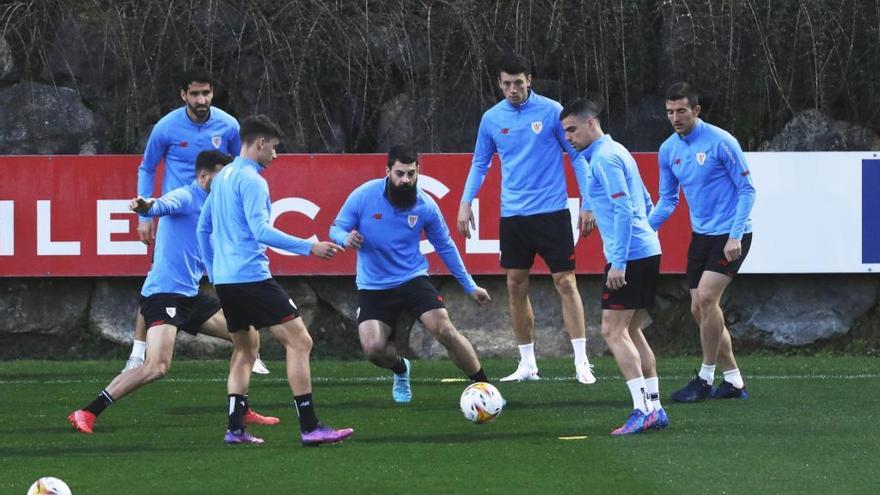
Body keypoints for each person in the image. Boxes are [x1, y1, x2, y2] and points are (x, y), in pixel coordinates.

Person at [68, 151, 278, 434]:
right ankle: (87, 412)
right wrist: (146, 206)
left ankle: (240, 408)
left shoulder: (219, 202)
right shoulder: (186, 196)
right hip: (164, 295)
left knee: (247, 335)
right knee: (157, 366)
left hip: (188, 296)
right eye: (220, 176)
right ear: (203, 177)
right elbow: (162, 204)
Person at [197, 115, 354, 446]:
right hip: (251, 277)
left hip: (226, 280)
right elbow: (261, 231)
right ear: (260, 143)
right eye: (275, 148)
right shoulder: (252, 181)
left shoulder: (222, 177)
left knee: (244, 348)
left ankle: (235, 429)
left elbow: (202, 228)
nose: (276, 156)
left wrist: (214, 271)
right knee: (300, 341)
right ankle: (310, 426)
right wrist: (310, 246)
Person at [457, 53, 596, 384]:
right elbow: (480, 163)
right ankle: (528, 363)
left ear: (529, 81)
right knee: (515, 285)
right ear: (499, 84)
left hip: (552, 213)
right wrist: (465, 202)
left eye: (518, 83)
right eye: (506, 83)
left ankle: (581, 361)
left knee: (565, 282)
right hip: (514, 216)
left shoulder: (550, 111)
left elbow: (577, 156)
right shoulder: (492, 119)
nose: (513, 89)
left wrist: (588, 202)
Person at [122, 68, 271, 374]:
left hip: (215, 210)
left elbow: (238, 166)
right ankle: (137, 353)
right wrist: (144, 215)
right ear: (183, 95)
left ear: (212, 93)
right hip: (178, 211)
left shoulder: (228, 125)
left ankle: (247, 347)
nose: (201, 99)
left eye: (206, 93)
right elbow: (147, 167)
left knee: (228, 271)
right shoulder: (166, 127)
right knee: (160, 275)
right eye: (194, 94)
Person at [329, 145, 493, 403]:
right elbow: (336, 228)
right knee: (373, 349)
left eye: (411, 174)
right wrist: (345, 237)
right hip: (373, 285)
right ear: (388, 172)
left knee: (444, 330)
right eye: (399, 174)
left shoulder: (425, 205)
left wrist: (470, 286)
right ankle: (401, 368)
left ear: (418, 172)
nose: (405, 180)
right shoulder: (364, 195)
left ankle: (485, 388)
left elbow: (445, 246)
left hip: (412, 278)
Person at [561, 99, 669, 435]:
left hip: (632, 256)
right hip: (644, 250)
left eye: (572, 129)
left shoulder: (605, 158)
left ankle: (642, 409)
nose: (568, 137)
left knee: (612, 331)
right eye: (565, 131)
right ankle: (655, 407)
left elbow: (624, 210)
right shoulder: (617, 150)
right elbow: (646, 200)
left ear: (591, 123)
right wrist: (645, 237)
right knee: (631, 330)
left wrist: (620, 259)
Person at [648, 82, 756, 401]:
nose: (675, 117)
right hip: (701, 236)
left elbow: (748, 190)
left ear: (696, 110)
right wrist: (644, 228)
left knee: (707, 300)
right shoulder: (668, 150)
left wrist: (735, 234)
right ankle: (735, 381)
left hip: (732, 234)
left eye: (681, 110)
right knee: (699, 309)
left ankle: (705, 378)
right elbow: (668, 200)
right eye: (670, 112)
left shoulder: (722, 142)